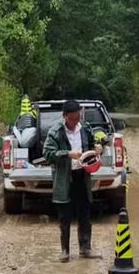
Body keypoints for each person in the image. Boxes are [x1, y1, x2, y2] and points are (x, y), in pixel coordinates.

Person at [43, 100, 102, 262]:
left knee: (85, 213)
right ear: (64, 117)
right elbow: (48, 154)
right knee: (65, 215)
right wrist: (68, 154)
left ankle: (85, 248)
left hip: (81, 176)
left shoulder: (85, 128)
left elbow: (92, 144)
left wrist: (97, 148)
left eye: (78, 118)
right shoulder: (55, 132)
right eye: (72, 119)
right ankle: (65, 250)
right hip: (64, 178)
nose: (76, 122)